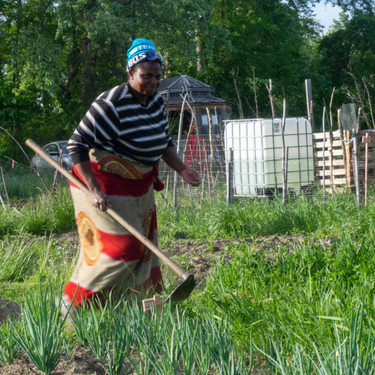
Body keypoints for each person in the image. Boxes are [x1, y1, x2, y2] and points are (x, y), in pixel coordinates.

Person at [61, 39, 201, 313]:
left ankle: (128, 309)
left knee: (142, 251)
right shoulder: (110, 103)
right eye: (146, 76)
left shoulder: (156, 102)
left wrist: (182, 169)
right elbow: (75, 145)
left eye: (157, 76)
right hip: (103, 183)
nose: (153, 82)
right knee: (119, 249)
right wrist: (93, 189)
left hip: (139, 186)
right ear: (130, 74)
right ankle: (72, 303)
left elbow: (163, 142)